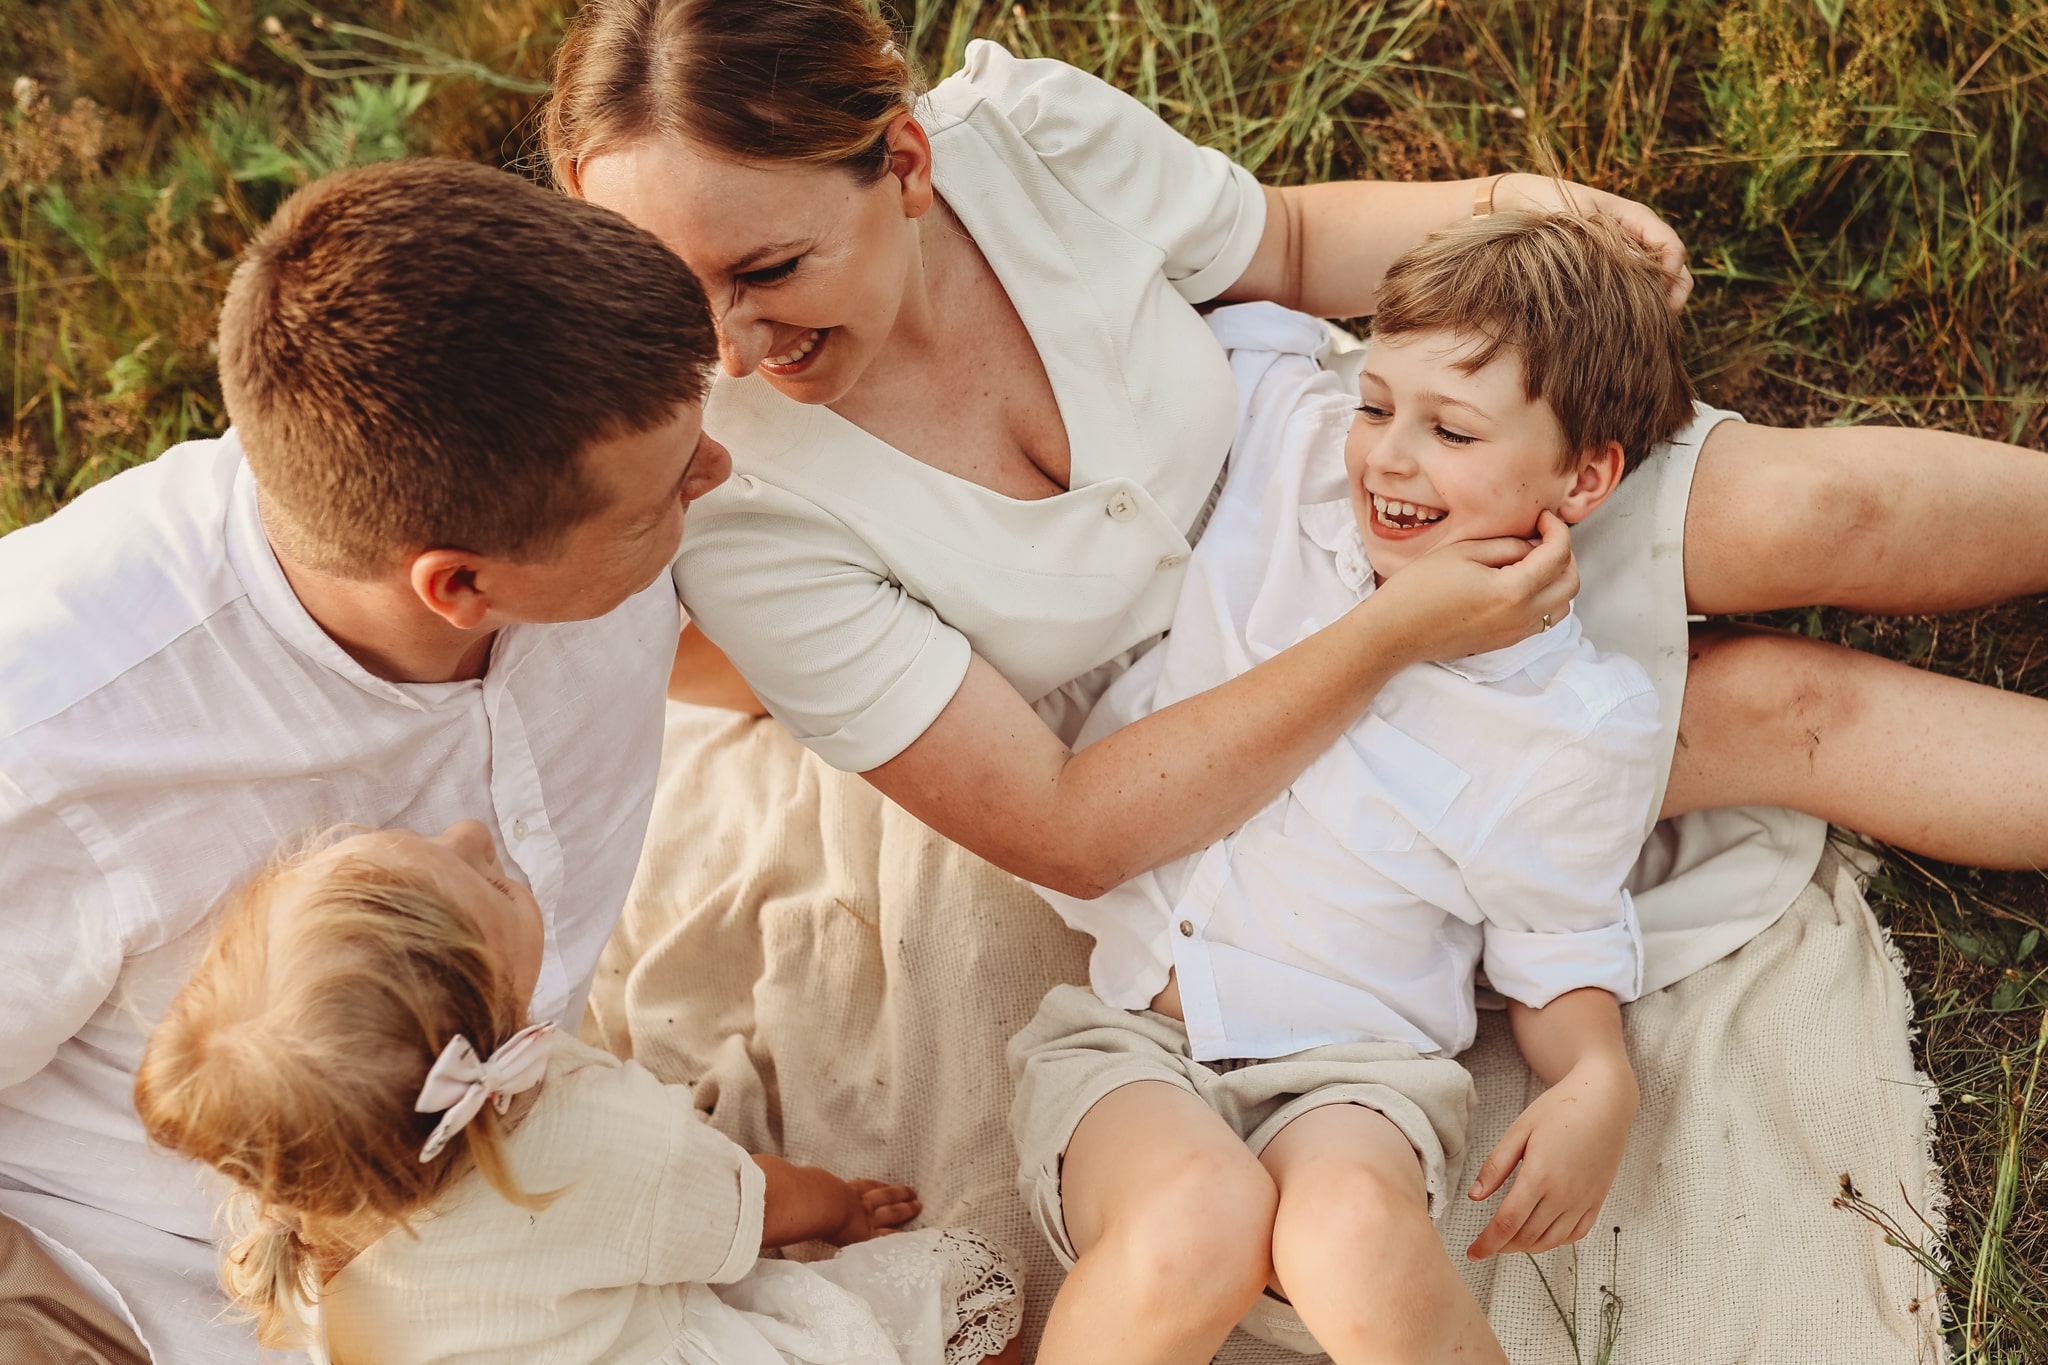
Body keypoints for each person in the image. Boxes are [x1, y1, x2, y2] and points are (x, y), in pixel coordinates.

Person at [549, 0, 2048, 930]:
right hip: (1230, 745)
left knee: (1815, 504)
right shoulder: (737, 508)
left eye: (769, 268)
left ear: (907, 164)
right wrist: (1399, 631)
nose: (730, 345)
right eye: (669, 294)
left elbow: (1283, 248)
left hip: (1364, 469)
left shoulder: (1030, 134)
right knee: (1791, 708)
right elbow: (1068, 827)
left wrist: (1516, 199)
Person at [0, 159, 730, 1361]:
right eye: (665, 497)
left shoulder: (591, 461)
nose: (717, 479)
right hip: (121, 1278)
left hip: (508, 1219)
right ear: (458, 586)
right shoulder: (61, 725)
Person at [1012, 212, 1684, 1364]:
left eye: (1451, 431)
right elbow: (1176, 275)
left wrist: (1595, 1079)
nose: (1388, 456)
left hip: (1354, 1077)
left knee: (1348, 1235)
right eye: (1375, 405)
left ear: (1584, 477)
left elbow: (1555, 935)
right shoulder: (1283, 461)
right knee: (1185, 1226)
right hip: (1135, 1045)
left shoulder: (1572, 726)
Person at [132, 820, 1024, 1365]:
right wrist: (833, 1206)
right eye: (482, 880)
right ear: (478, 1047)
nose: (469, 833)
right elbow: (750, 1203)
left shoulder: (316, 1199)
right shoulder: (586, 1140)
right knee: (973, 1292)